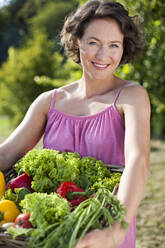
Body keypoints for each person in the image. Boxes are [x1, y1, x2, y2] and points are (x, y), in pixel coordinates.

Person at [0, 0, 150, 247]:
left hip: (102, 230)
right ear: (77, 40)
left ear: (124, 48)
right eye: (93, 43)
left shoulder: (131, 97)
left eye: (114, 45)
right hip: (52, 231)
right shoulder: (49, 101)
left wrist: (116, 229)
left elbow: (139, 161)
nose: (103, 55)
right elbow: (6, 153)